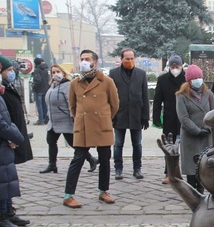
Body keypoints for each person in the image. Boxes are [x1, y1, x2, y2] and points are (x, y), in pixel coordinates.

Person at [63, 49, 119, 208]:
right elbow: (72, 106)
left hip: (102, 125)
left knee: (105, 160)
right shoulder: (75, 82)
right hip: (83, 126)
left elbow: (114, 105)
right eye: (81, 59)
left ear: (95, 62)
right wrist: (81, 118)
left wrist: (104, 116)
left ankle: (103, 191)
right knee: (78, 159)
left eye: (87, 59)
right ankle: (68, 195)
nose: (83, 62)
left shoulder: (107, 81)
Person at [41, 64, 97, 174]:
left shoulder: (67, 85)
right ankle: (52, 164)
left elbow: (71, 102)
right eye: (53, 72)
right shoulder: (52, 85)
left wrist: (73, 117)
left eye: (58, 71)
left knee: (74, 144)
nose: (55, 74)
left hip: (65, 120)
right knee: (51, 141)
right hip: (53, 121)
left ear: (63, 72)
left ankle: (91, 159)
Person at [0, 55, 32, 227]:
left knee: (8, 179)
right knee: (4, 179)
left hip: (10, 137)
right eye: (9, 70)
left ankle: (8, 211)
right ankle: (3, 215)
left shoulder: (6, 87)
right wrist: (12, 136)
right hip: (6, 138)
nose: (12, 73)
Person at [109, 48, 150, 180]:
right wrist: (111, 115)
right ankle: (118, 169)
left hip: (136, 114)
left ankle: (137, 169)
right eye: (127, 58)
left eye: (132, 58)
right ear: (121, 59)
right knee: (118, 144)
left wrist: (145, 117)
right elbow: (110, 96)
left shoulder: (141, 74)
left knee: (137, 144)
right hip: (119, 115)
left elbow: (145, 96)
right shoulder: (113, 73)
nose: (130, 61)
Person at [175, 64, 214, 193]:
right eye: (195, 78)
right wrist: (197, 130)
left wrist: (209, 127)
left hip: (206, 136)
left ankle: (202, 191)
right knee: (191, 167)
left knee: (205, 166)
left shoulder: (209, 94)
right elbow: (184, 118)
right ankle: (193, 192)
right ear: (189, 80)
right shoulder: (181, 96)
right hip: (190, 137)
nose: (198, 80)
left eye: (200, 77)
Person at [153, 54, 186, 184]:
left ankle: (184, 172)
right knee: (169, 147)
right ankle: (169, 173)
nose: (174, 68)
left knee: (185, 146)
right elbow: (157, 99)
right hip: (169, 117)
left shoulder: (186, 79)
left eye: (177, 66)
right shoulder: (163, 79)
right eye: (172, 66)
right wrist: (156, 117)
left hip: (184, 118)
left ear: (181, 66)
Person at [32, 57, 50, 125]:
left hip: (39, 90)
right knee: (44, 105)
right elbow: (48, 79)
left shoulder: (37, 70)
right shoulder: (45, 69)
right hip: (45, 89)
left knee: (39, 105)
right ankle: (46, 119)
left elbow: (38, 80)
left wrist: (34, 87)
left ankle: (40, 120)